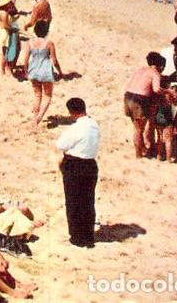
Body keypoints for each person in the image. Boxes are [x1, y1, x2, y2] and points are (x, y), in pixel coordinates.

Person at [55, 97, 100, 248]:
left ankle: (77, 237)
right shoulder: (94, 124)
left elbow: (61, 145)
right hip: (90, 165)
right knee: (88, 201)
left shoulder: (75, 128)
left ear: (71, 112)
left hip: (75, 165)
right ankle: (88, 234)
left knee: (74, 201)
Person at [124, 52, 165, 158]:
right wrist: (167, 91)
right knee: (139, 130)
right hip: (139, 99)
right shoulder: (155, 73)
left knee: (137, 128)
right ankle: (138, 155)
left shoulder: (141, 69)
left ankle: (142, 150)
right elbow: (156, 89)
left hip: (128, 96)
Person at [21, 25, 63, 125]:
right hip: (46, 72)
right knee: (47, 95)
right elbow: (54, 60)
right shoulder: (49, 43)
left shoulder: (30, 43)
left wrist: (26, 71)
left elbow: (25, 59)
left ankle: (35, 117)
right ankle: (39, 117)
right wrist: (60, 72)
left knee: (37, 95)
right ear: (46, 32)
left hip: (34, 71)